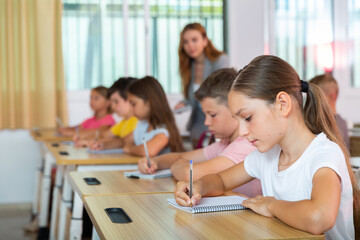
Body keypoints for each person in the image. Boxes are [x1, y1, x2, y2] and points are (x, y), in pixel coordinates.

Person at [174, 55, 359, 239]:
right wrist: (196, 187)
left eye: (247, 118)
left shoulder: (324, 155)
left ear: (283, 104)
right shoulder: (267, 156)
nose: (242, 131)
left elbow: (320, 218)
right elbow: (221, 181)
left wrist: (271, 205)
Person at [138, 68, 261, 197]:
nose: (206, 122)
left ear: (234, 110)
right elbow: (182, 157)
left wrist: (177, 165)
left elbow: (189, 174)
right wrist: (155, 161)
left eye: (212, 115)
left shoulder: (246, 144)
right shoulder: (224, 143)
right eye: (205, 115)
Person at [175, 22, 229, 147]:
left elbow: (221, 93)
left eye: (194, 40)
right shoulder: (188, 66)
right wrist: (184, 102)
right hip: (198, 121)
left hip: (217, 116)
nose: (190, 45)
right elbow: (194, 96)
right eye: (186, 42)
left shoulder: (220, 60)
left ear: (205, 41)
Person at [123, 76, 183, 157]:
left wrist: (130, 149)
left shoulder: (163, 129)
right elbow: (127, 140)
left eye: (134, 104)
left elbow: (149, 151)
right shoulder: (143, 125)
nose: (131, 109)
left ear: (149, 102)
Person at [74, 77, 138, 150]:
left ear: (130, 99)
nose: (112, 106)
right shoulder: (123, 122)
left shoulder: (138, 122)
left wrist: (90, 142)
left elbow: (123, 141)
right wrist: (86, 140)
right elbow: (103, 135)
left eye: (116, 102)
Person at [309, 74, 350, 150]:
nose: (311, 102)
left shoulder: (328, 124)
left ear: (332, 96)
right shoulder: (341, 122)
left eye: (316, 97)